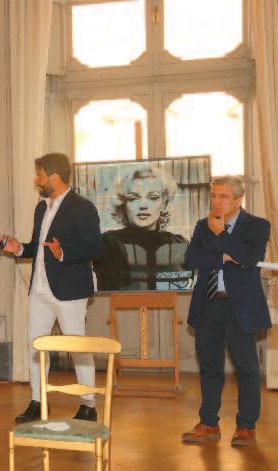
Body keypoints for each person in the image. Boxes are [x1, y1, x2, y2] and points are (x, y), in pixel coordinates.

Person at [0, 153, 102, 424]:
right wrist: (18, 248)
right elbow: (37, 248)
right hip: (39, 290)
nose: (37, 180)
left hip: (70, 290)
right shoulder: (41, 208)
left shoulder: (83, 207)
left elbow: (95, 248)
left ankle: (88, 404)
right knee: (36, 346)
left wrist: (63, 252)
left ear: (54, 176)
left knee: (77, 347)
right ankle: (38, 400)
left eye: (40, 175)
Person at [181, 176, 271, 447]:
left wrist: (221, 235)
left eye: (223, 196)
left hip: (239, 308)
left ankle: (246, 426)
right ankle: (208, 423)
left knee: (247, 369)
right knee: (209, 368)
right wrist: (222, 257)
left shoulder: (257, 225)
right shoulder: (202, 225)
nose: (216, 201)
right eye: (213, 195)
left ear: (238, 199)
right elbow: (191, 259)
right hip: (208, 306)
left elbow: (250, 257)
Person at [94, 164, 192, 291]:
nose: (143, 205)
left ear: (164, 203)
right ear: (123, 204)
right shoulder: (109, 244)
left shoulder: (180, 244)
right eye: (134, 198)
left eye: (152, 197)